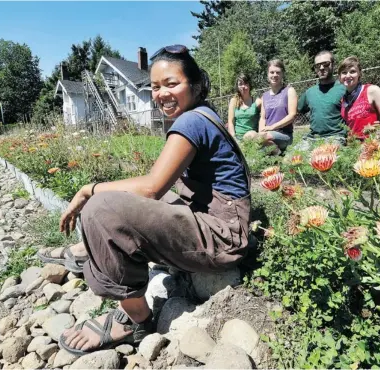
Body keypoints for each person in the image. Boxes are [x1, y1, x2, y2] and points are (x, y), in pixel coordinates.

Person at [42, 45, 251, 356]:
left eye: (171, 84)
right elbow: (156, 187)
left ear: (194, 85)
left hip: (224, 237)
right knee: (131, 200)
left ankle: (135, 319)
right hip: (222, 223)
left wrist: (89, 189)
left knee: (101, 208)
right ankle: (90, 249)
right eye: (155, 86)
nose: (161, 93)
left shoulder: (191, 122)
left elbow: (151, 187)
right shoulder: (202, 113)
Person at [296, 51, 347, 150]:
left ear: (333, 65)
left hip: (335, 137)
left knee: (324, 158)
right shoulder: (310, 92)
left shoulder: (343, 89)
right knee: (289, 160)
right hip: (312, 138)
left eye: (326, 64)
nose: (322, 68)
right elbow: (298, 109)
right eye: (317, 65)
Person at [247, 60, 297, 155]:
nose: (274, 75)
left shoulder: (289, 91)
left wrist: (272, 127)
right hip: (267, 135)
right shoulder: (264, 96)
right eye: (272, 72)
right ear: (267, 74)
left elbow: (292, 115)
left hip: (284, 135)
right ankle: (276, 153)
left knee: (262, 138)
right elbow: (262, 118)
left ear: (282, 74)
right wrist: (261, 131)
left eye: (278, 72)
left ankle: (280, 155)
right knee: (248, 136)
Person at [338, 56, 380, 140]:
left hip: (374, 145)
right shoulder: (343, 100)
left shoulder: (372, 91)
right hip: (353, 147)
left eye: (352, 71)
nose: (348, 75)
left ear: (359, 73)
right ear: (339, 77)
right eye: (344, 72)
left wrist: (376, 141)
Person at [227, 73, 261, 140]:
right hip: (237, 138)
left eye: (245, 83)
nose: (243, 86)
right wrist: (234, 138)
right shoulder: (234, 101)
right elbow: (230, 122)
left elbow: (263, 119)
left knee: (251, 135)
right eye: (240, 84)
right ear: (237, 86)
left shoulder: (257, 102)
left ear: (249, 85)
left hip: (252, 138)